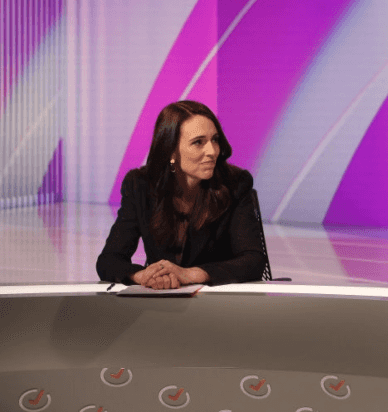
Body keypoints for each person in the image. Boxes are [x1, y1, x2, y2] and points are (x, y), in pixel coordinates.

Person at [97, 100, 266, 288]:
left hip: (217, 303)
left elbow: (253, 261)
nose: (212, 151)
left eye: (215, 140)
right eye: (198, 143)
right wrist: (143, 276)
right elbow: (109, 261)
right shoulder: (140, 185)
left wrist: (189, 275)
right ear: (171, 151)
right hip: (162, 301)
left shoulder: (235, 184)